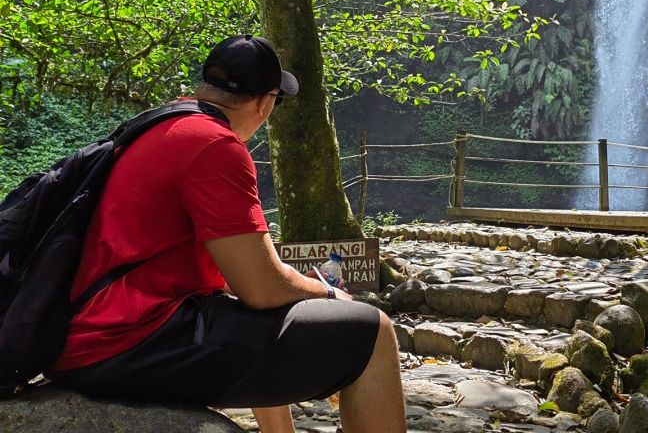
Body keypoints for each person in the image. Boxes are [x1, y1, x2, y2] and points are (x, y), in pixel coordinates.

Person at [48, 34, 406, 433]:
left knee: (253, 316)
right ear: (265, 102)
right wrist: (327, 293)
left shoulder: (158, 125)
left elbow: (249, 302)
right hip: (125, 342)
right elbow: (262, 289)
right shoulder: (215, 146)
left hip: (85, 337)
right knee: (374, 331)